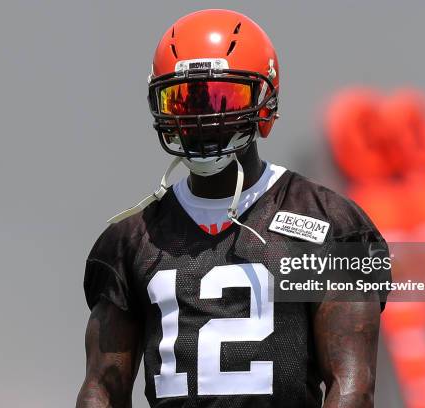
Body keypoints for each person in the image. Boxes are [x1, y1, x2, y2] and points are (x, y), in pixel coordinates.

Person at [76, 9, 390, 408]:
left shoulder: (331, 223)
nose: (204, 117)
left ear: (264, 100)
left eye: (223, 97)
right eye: (183, 101)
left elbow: (353, 387)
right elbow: (102, 389)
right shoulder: (129, 242)